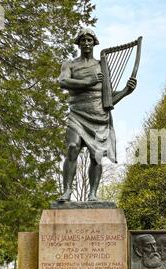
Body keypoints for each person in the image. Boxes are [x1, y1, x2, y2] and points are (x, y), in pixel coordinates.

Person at [58, 28, 137, 201]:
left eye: (89, 40)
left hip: (99, 116)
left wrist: (125, 91)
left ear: (94, 43)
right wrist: (87, 82)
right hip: (77, 113)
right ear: (78, 43)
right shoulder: (69, 64)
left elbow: (108, 99)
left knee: (96, 156)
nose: (86, 43)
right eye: (83, 40)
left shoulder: (102, 65)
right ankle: (67, 191)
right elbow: (62, 81)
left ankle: (92, 193)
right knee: (72, 147)